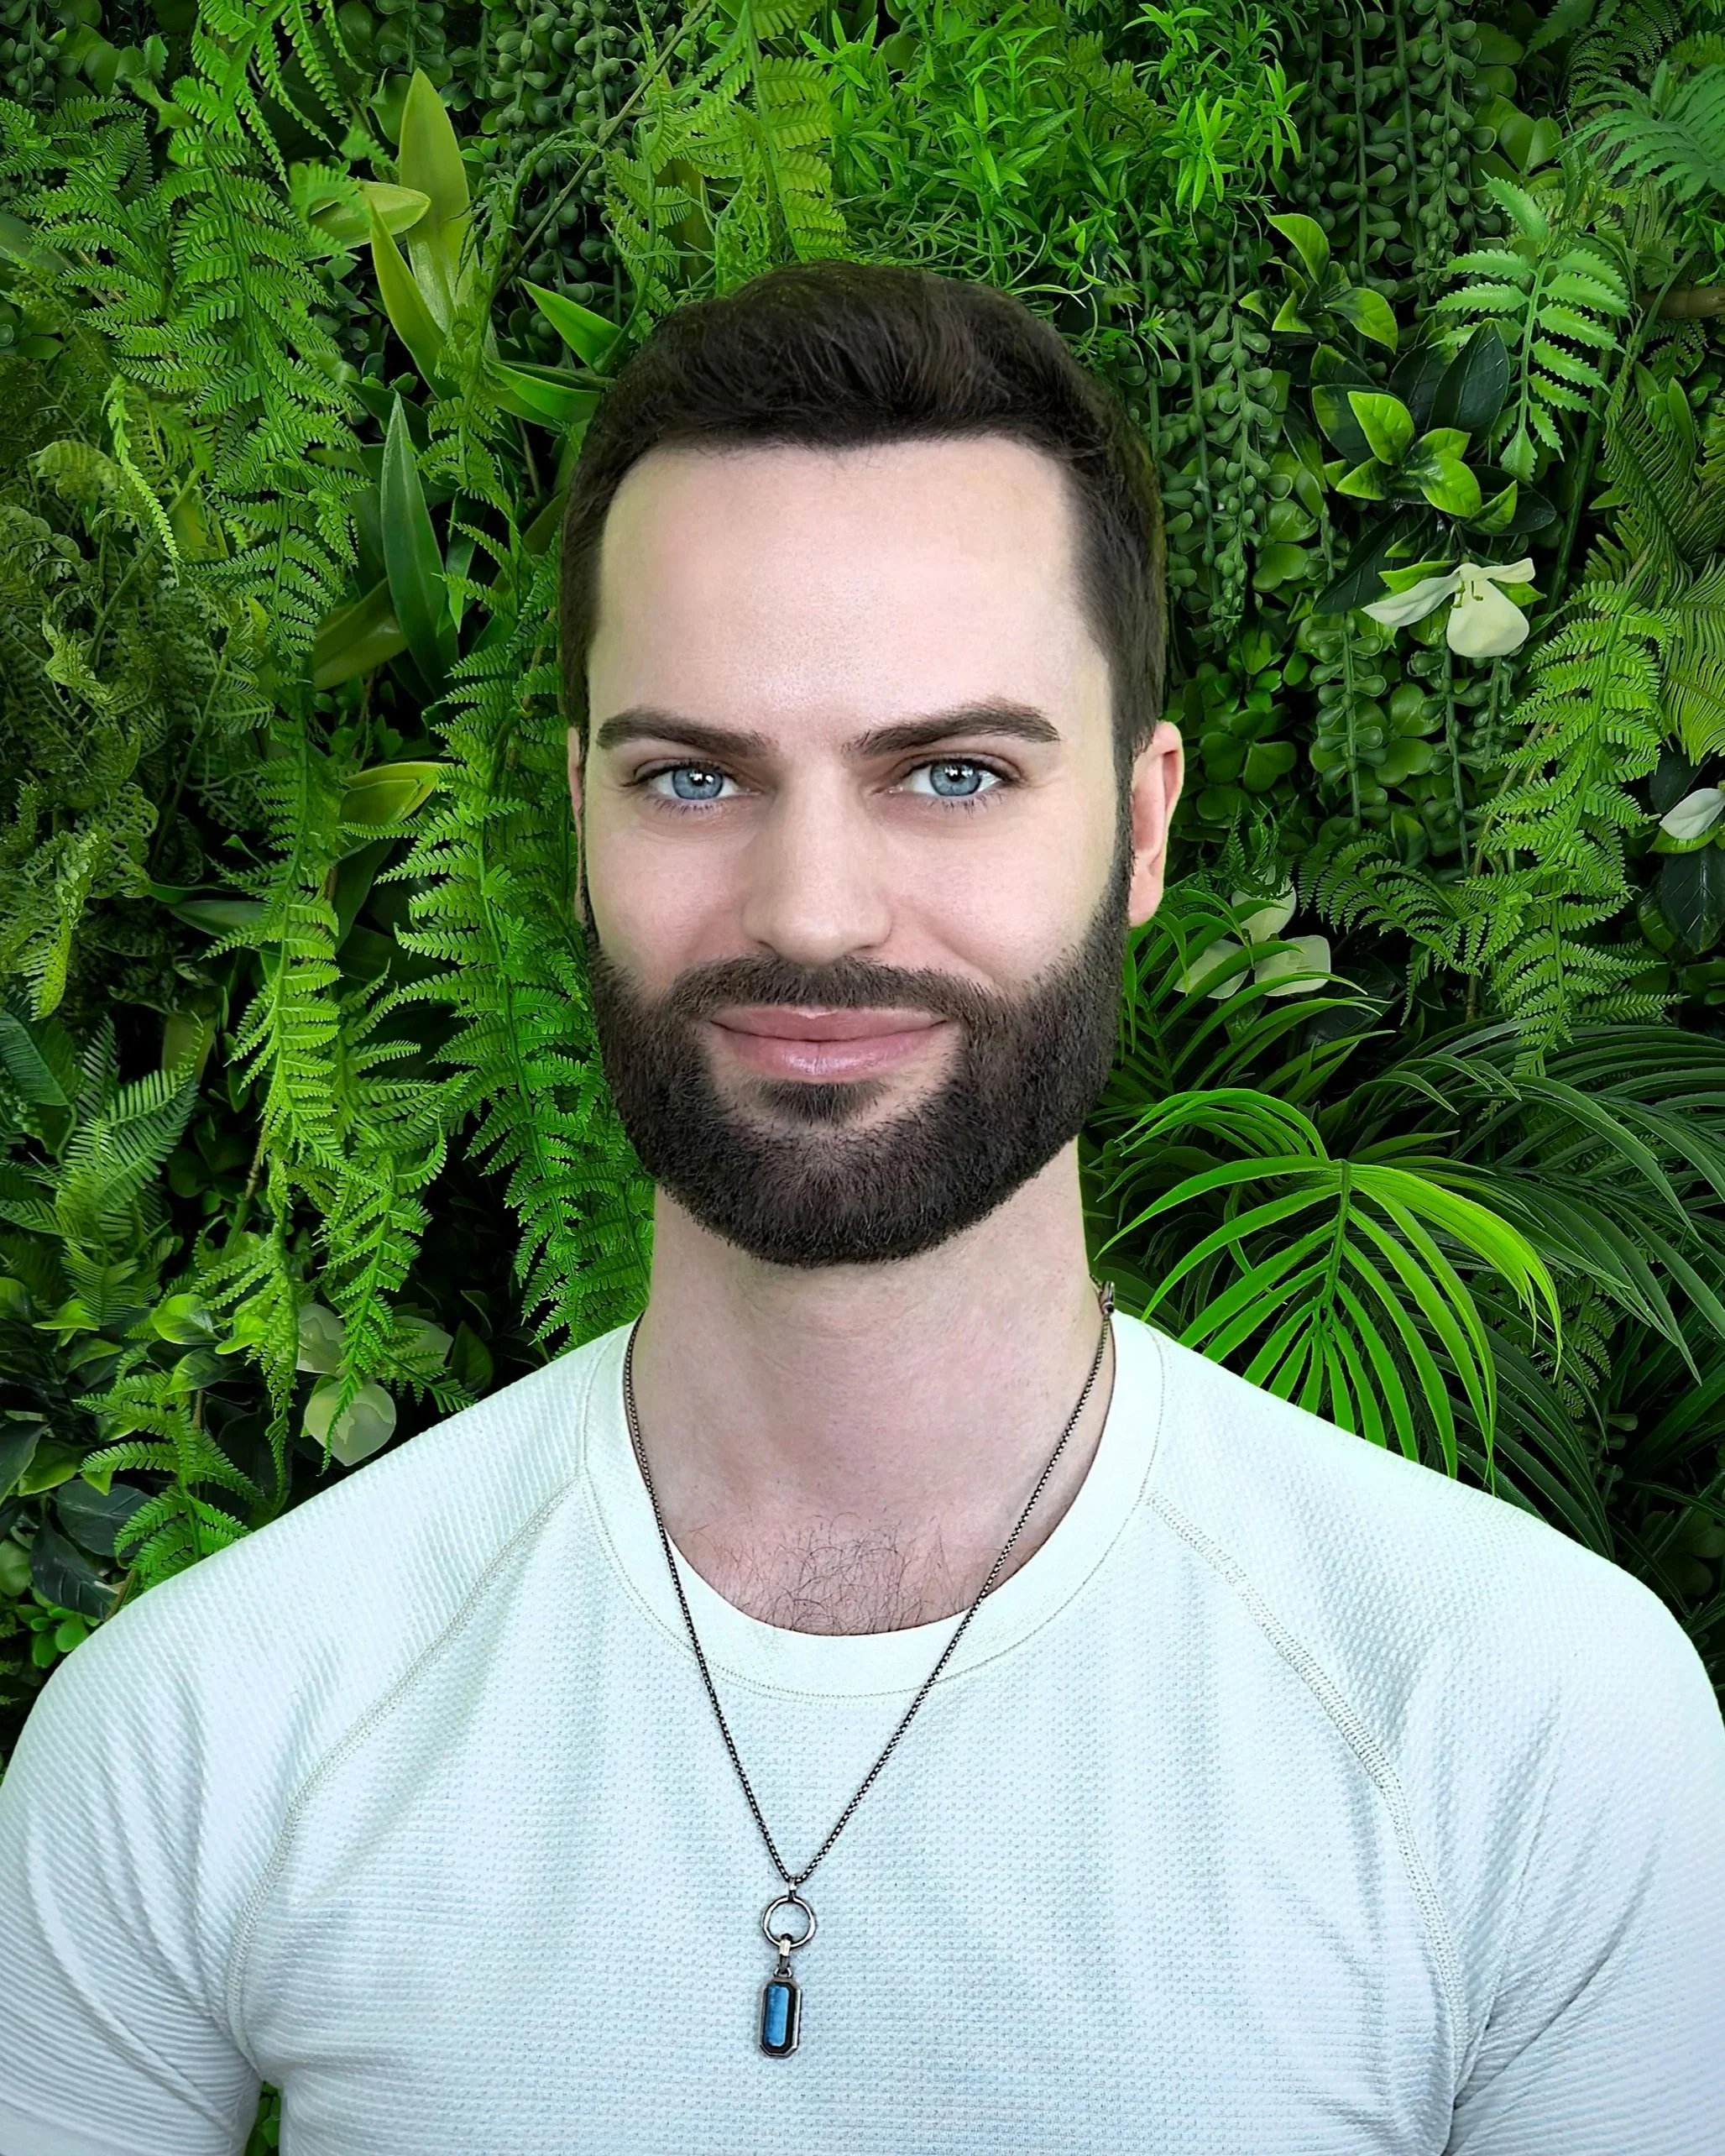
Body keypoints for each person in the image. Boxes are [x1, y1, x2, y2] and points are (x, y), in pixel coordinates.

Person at [0, 259, 1721, 2156]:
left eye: (954, 774)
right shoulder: (198, 1730)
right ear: (578, 822)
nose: (813, 911)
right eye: (691, 777)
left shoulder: (1532, 1727)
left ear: (1142, 831)